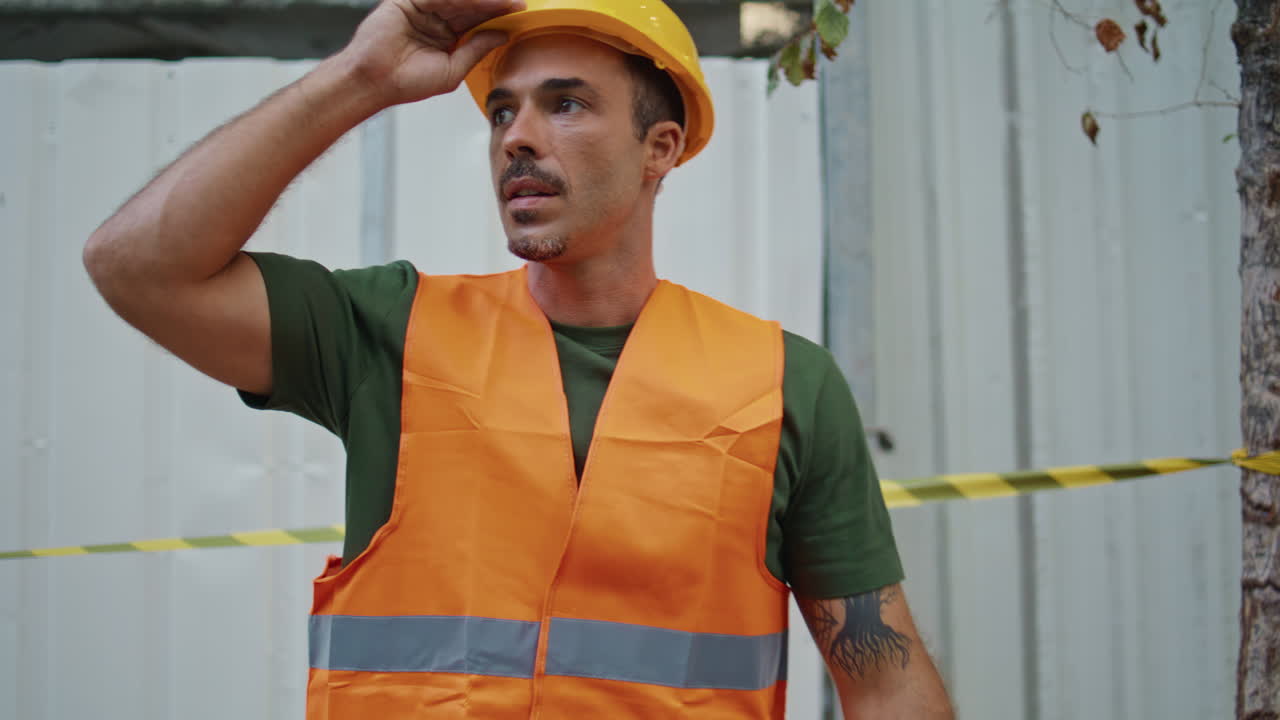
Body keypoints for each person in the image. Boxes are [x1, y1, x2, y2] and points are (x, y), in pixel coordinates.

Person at [83, 0, 954, 716]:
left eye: (565, 104)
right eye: (504, 109)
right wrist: (360, 78)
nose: (514, 138)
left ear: (663, 148)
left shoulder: (784, 385)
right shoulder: (387, 333)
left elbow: (885, 682)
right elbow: (136, 266)